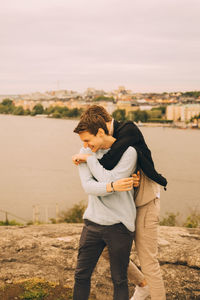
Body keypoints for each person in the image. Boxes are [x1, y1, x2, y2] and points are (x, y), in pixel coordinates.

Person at [77, 105, 167, 300]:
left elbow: (109, 166)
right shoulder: (102, 142)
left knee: (148, 261)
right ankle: (142, 285)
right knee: (108, 251)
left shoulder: (127, 131)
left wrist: (87, 159)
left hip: (144, 202)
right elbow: (105, 174)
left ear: (103, 127)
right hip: (124, 205)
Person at [72, 114, 139, 300]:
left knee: (119, 280)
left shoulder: (129, 152)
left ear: (100, 132)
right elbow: (89, 187)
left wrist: (91, 161)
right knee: (81, 276)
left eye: (88, 140)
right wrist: (112, 187)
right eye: (82, 142)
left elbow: (107, 179)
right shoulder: (85, 150)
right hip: (92, 222)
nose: (85, 146)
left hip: (119, 225)